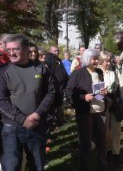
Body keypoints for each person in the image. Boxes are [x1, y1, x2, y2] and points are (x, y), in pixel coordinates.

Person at [0, 34, 56, 171]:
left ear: (26, 49)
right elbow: (1, 100)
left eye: (16, 49)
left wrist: (37, 114)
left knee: (37, 166)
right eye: (9, 50)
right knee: (11, 167)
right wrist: (22, 119)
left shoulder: (40, 69)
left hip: (36, 125)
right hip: (11, 129)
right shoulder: (3, 72)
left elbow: (51, 92)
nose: (11, 53)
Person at [65, 49, 108, 171]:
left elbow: (99, 88)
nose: (96, 61)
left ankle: (103, 167)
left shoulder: (99, 72)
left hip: (100, 111)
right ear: (86, 60)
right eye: (93, 59)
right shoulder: (77, 74)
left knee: (102, 142)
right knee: (86, 143)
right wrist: (83, 97)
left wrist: (104, 92)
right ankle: (85, 167)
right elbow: (68, 92)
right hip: (85, 113)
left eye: (96, 59)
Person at [99, 51, 121, 164]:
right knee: (105, 131)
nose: (108, 63)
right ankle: (107, 152)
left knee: (116, 130)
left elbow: (115, 86)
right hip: (102, 106)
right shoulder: (97, 73)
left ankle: (116, 153)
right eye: (106, 61)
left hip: (113, 104)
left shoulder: (113, 73)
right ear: (101, 61)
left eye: (109, 61)